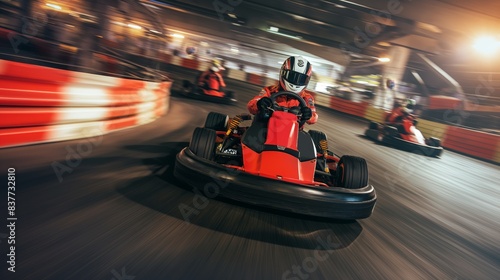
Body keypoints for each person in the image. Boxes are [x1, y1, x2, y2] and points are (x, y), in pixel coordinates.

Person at [247, 55, 318, 125]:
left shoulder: (307, 98)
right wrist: (260, 104)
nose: (296, 81)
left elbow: (314, 117)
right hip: (266, 129)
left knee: (308, 136)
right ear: (282, 72)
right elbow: (252, 104)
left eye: (301, 79)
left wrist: (309, 115)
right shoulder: (269, 91)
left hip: (293, 133)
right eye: (292, 76)